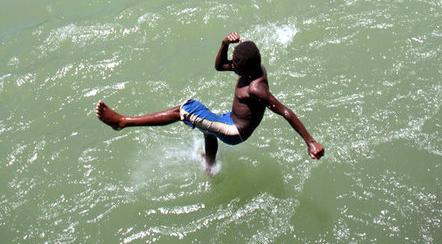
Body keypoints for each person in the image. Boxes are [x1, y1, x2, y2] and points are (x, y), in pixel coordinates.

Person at [96, 32, 324, 172]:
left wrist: (310, 142)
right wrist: (225, 43)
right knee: (208, 127)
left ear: (244, 67)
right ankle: (211, 166)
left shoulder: (256, 87)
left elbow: (285, 111)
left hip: (235, 130)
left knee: (185, 109)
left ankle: (123, 122)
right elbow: (218, 66)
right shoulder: (253, 69)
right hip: (229, 120)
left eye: (234, 64)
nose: (231, 65)